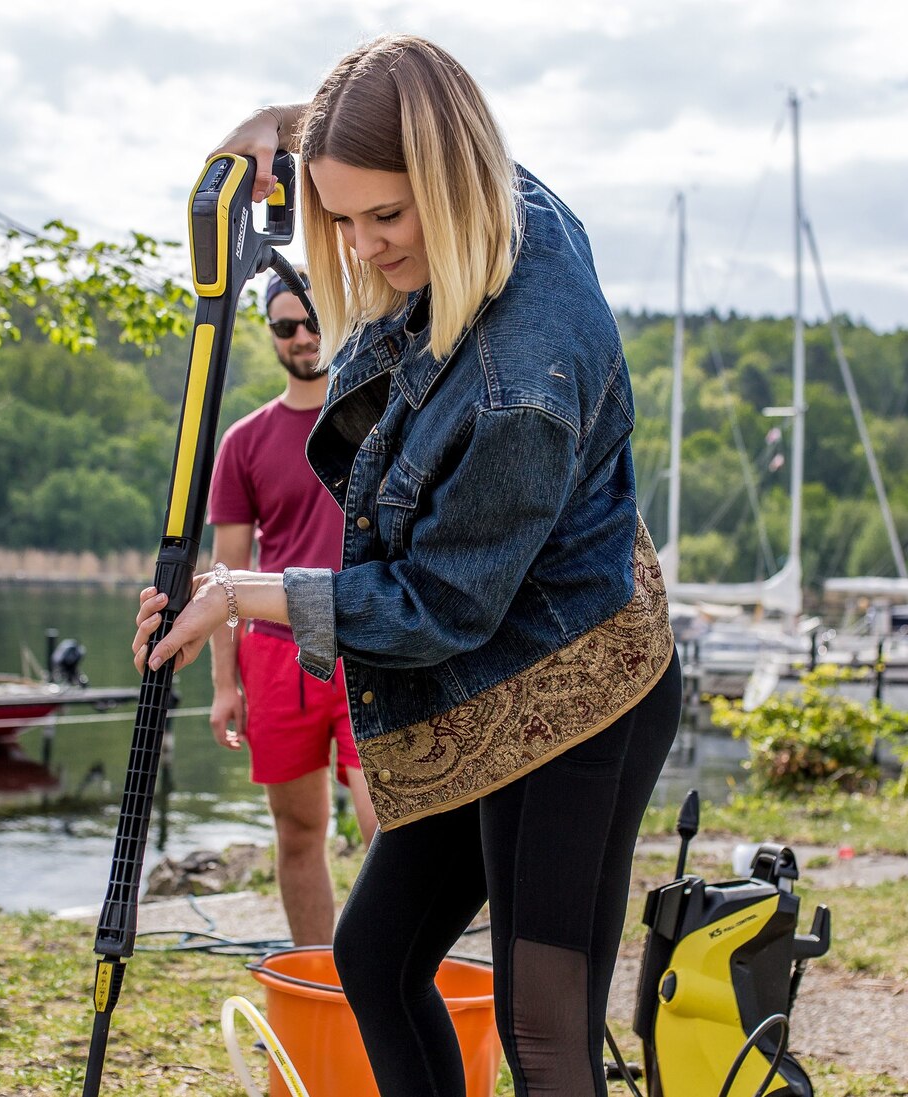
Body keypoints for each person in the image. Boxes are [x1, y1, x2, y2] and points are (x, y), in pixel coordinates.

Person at [135, 34, 681, 1097]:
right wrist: (284, 127)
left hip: (580, 690)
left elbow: (438, 601)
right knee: (374, 957)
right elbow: (402, 128)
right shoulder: (503, 198)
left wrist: (240, 595)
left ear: (450, 181)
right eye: (339, 216)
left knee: (546, 1028)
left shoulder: (519, 378)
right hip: (478, 681)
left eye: (386, 216)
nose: (363, 245)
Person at [206, 268, 376, 947]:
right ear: (271, 335)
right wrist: (224, 683)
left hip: (370, 639)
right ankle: (317, 975)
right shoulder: (243, 442)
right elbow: (226, 572)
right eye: (286, 326)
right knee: (299, 829)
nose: (303, 336)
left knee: (387, 826)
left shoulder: (376, 414)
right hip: (276, 655)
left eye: (312, 319)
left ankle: (389, 981)